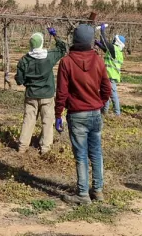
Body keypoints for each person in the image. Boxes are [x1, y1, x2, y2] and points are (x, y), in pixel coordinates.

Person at [55, 24, 111, 205]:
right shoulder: (98, 60)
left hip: (77, 114)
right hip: (95, 113)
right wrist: (100, 103)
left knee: (81, 155)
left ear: (75, 39)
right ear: (89, 40)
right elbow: (106, 88)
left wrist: (58, 114)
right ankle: (99, 190)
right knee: (96, 153)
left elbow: (62, 92)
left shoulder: (66, 62)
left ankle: (82, 194)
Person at [15, 27, 67, 154]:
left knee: (28, 120)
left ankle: (22, 147)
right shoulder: (49, 57)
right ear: (42, 43)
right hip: (47, 95)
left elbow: (19, 80)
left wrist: (26, 80)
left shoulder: (24, 60)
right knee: (47, 122)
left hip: (31, 95)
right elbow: (63, 48)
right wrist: (54, 35)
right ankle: (45, 148)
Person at [95, 24, 125, 116]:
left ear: (117, 41)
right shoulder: (115, 50)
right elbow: (105, 48)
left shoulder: (114, 49)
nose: (113, 40)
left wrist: (103, 30)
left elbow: (104, 42)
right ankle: (104, 111)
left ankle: (117, 114)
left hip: (111, 76)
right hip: (109, 75)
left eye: (114, 39)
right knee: (106, 93)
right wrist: (98, 44)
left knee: (113, 95)